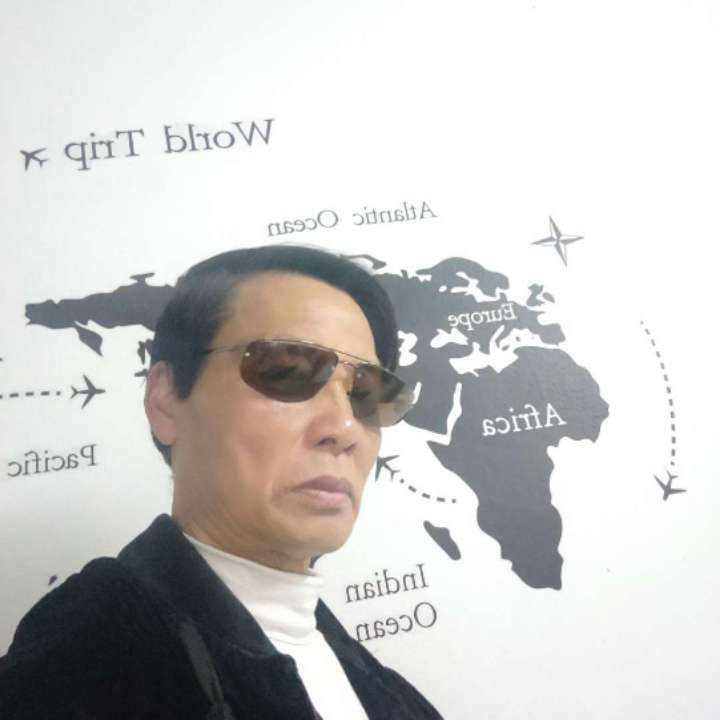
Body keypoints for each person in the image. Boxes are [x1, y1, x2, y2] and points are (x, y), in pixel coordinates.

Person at [0, 245, 444, 720]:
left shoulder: (376, 683)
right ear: (165, 400)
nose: (344, 428)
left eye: (367, 394)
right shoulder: (78, 665)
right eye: (285, 372)